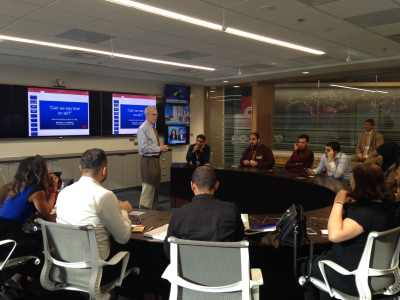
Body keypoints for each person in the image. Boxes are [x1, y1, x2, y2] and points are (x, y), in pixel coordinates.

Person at [300, 163, 395, 300]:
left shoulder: (363, 214)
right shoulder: (387, 206)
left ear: (360, 183)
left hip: (351, 277)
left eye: (352, 179)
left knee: (303, 264)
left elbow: (334, 235)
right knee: (321, 257)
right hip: (379, 275)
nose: (350, 182)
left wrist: (338, 203)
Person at [56, 149, 138, 298]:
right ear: (104, 170)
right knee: (138, 255)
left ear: (81, 168)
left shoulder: (63, 193)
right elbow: (123, 237)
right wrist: (124, 211)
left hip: (64, 264)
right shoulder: (104, 195)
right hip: (96, 270)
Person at [0, 155, 58, 291]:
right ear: (40, 171)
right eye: (47, 167)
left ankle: (21, 280)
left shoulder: (16, 186)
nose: (49, 169)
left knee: (39, 241)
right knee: (44, 245)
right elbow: (46, 212)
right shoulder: (36, 191)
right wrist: (54, 188)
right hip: (10, 238)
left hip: (3, 231)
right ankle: (17, 279)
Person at [163, 166, 244, 259]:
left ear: (192, 185)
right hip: (224, 271)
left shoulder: (179, 214)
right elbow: (239, 240)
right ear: (216, 185)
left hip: (189, 272)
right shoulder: (231, 210)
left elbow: (169, 250)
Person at [137, 106, 169, 210]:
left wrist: (159, 149)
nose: (155, 117)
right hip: (148, 161)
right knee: (148, 190)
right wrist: (159, 148)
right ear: (147, 115)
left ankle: (152, 213)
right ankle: (143, 214)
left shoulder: (152, 128)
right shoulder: (143, 128)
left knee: (155, 189)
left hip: (155, 160)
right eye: (153, 114)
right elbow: (143, 149)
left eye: (156, 114)